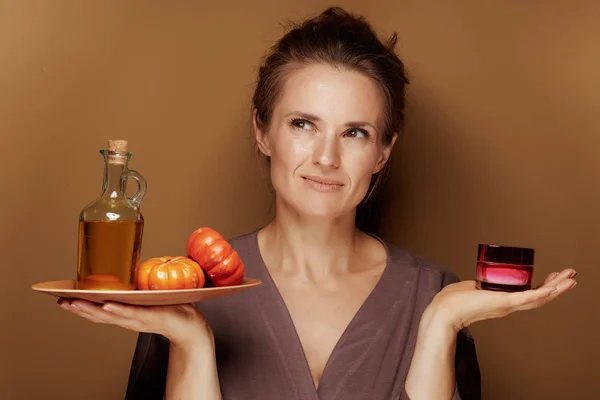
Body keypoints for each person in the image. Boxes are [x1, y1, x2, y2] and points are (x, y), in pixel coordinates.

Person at [57, 7, 577, 400]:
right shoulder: (185, 294)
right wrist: (192, 342)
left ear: (383, 151)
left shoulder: (437, 296)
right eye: (302, 124)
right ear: (263, 131)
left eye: (355, 132)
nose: (326, 157)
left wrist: (440, 323)